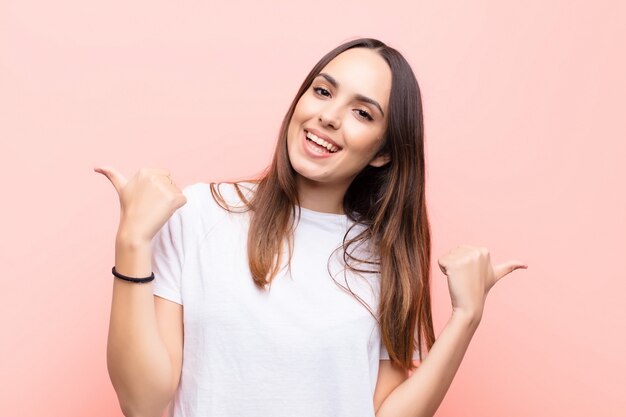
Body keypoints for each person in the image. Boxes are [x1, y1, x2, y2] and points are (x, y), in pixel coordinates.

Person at [95, 37, 527, 417]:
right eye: (322, 91)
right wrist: (132, 241)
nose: (330, 117)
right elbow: (142, 404)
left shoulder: (387, 259)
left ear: (383, 152)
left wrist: (466, 317)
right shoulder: (201, 214)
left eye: (362, 112)